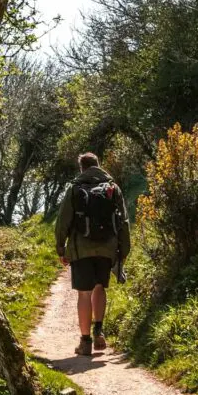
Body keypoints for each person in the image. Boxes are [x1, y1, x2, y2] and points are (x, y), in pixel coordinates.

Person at [55, 153, 132, 356]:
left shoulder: (75, 188)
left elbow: (63, 220)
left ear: (82, 168)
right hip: (107, 248)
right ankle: (99, 329)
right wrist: (123, 251)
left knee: (84, 293)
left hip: (82, 248)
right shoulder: (112, 189)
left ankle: (85, 341)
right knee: (100, 288)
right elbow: (123, 221)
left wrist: (61, 248)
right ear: (99, 166)